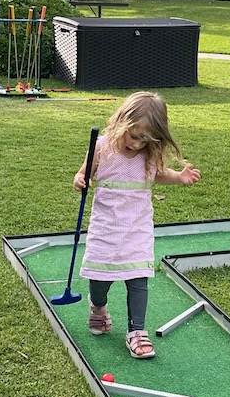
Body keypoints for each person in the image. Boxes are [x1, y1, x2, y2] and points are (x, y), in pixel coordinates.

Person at [74, 91, 200, 360]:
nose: (137, 143)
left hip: (137, 227)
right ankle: (98, 307)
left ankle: (137, 331)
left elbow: (157, 175)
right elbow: (84, 172)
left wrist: (179, 177)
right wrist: (80, 180)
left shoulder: (148, 154)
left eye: (145, 139)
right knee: (99, 279)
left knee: (138, 279)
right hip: (106, 228)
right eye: (133, 135)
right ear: (121, 121)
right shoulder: (102, 147)